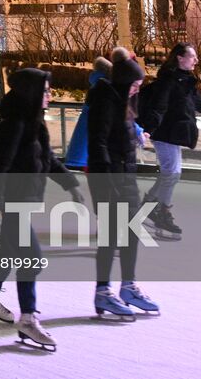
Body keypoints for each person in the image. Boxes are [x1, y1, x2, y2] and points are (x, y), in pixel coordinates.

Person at [0, 67, 85, 353]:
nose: (50, 95)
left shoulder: (34, 123)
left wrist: (70, 184)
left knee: (10, 251)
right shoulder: (16, 125)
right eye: (46, 90)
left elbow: (47, 159)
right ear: (33, 93)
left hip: (24, 200)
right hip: (12, 204)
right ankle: (28, 319)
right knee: (31, 257)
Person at [136, 42, 201, 239]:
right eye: (192, 57)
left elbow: (197, 102)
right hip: (164, 133)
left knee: (170, 173)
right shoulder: (169, 82)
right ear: (180, 58)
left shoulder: (184, 82)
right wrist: (148, 130)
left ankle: (148, 207)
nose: (196, 60)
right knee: (172, 174)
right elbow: (159, 107)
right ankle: (161, 211)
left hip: (173, 134)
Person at [86, 54, 159, 319]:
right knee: (110, 236)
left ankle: (128, 285)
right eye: (134, 84)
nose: (137, 89)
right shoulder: (105, 102)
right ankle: (103, 291)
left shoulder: (123, 103)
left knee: (131, 232)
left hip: (125, 176)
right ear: (124, 81)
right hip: (108, 179)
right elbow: (99, 142)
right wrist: (108, 180)